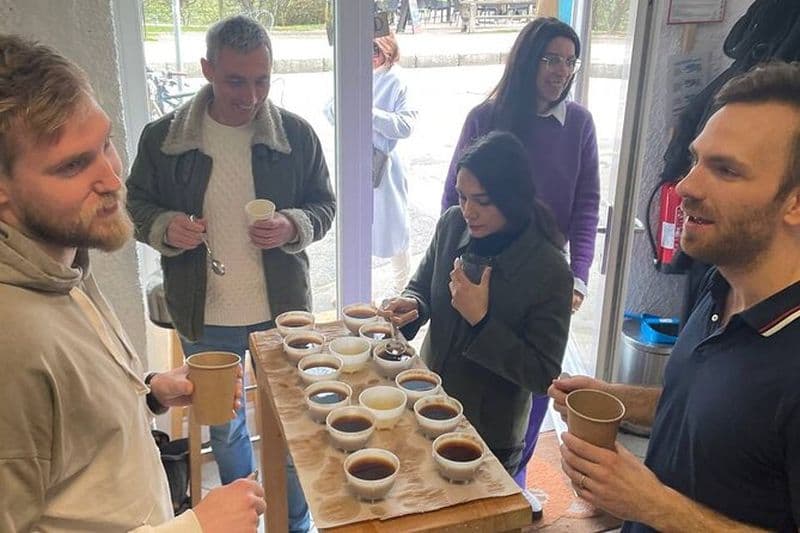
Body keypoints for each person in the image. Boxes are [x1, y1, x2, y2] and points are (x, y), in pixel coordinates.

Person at [0, 34, 265, 532]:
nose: (112, 178)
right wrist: (195, 528)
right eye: (73, 165)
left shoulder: (62, 267)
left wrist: (148, 396)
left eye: (104, 144)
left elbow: (67, 447)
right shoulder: (9, 340)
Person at [550, 61, 800, 532]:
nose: (685, 187)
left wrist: (654, 505)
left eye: (725, 170)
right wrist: (615, 396)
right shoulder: (722, 284)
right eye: (695, 160)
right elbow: (711, 405)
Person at [127, 16, 335, 533]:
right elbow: (133, 205)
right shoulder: (164, 139)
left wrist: (293, 224)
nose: (251, 95)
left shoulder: (296, 135)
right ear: (207, 71)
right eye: (236, 80)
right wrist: (163, 226)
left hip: (280, 312)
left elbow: (325, 206)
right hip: (204, 311)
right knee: (225, 429)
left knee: (292, 427)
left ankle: (295, 523)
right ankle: (244, 518)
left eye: (262, 79)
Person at [440, 16, 600, 498]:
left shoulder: (578, 124)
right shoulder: (486, 117)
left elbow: (587, 202)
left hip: (544, 270)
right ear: (528, 59)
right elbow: (455, 193)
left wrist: (579, 277)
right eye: (551, 58)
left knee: (528, 388)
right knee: (471, 370)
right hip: (483, 262)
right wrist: (451, 249)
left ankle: (515, 479)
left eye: (570, 61)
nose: (561, 70)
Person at [382, 131, 572, 477]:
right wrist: (411, 305)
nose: (468, 211)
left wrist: (482, 321)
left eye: (482, 200)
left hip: (489, 433)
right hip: (427, 401)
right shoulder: (452, 225)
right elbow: (421, 287)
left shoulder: (550, 270)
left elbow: (542, 373)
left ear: (513, 198)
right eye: (462, 196)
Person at [325, 32, 417, 297]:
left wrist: (368, 112)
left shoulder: (398, 80)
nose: (370, 56)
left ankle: (404, 289)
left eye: (375, 50)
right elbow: (330, 109)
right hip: (356, 158)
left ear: (388, 47)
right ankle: (354, 288)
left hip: (386, 165)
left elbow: (405, 125)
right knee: (356, 224)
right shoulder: (355, 74)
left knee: (395, 228)